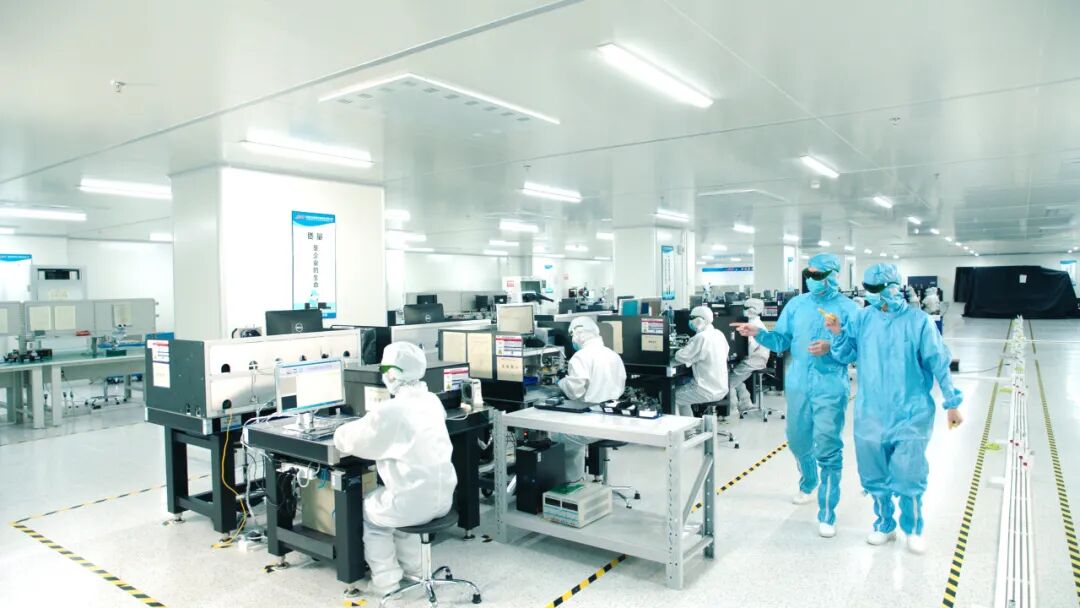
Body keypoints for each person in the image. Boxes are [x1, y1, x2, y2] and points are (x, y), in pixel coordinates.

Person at [826, 263, 963, 554]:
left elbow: (939, 362)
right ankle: (884, 524)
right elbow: (846, 355)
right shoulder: (863, 318)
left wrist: (951, 403)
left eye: (875, 289)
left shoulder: (918, 321)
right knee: (874, 473)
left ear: (891, 288)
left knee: (909, 473)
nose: (871, 294)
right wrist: (837, 333)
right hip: (870, 412)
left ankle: (913, 528)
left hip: (911, 412)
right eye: (868, 289)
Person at [731, 253, 857, 538]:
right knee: (797, 439)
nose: (811, 280)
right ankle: (809, 480)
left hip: (830, 384)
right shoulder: (797, 305)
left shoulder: (849, 309)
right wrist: (758, 333)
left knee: (828, 446)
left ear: (832, 276)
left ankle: (827, 512)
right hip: (799, 382)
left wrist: (832, 347)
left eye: (817, 275)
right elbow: (781, 341)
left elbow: (857, 351)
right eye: (808, 274)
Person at [333, 342, 458, 595]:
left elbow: (352, 440)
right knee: (399, 506)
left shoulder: (391, 410)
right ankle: (416, 567)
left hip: (413, 503)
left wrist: (338, 431)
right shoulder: (432, 401)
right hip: (443, 498)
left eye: (384, 369)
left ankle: (386, 582)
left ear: (391, 373)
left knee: (370, 513)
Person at [554, 316, 626, 482]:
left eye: (572, 335)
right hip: (614, 418)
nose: (572, 339)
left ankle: (571, 483)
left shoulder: (581, 357)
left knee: (554, 435)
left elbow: (574, 392)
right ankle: (579, 479)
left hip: (593, 422)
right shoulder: (612, 354)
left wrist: (561, 382)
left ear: (579, 334)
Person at [673, 305, 730, 416]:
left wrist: (676, 351)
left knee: (671, 397)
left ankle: (680, 427)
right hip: (721, 388)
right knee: (682, 393)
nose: (690, 321)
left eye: (692, 318)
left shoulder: (702, 337)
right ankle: (689, 426)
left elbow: (681, 357)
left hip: (706, 390)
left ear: (699, 320)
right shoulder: (719, 334)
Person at [727, 298, 770, 412]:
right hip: (756, 360)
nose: (743, 310)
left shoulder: (754, 325)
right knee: (736, 379)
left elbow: (750, 347)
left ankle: (732, 409)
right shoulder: (755, 323)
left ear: (752, 310)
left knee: (728, 382)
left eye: (745, 308)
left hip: (753, 361)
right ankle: (746, 403)